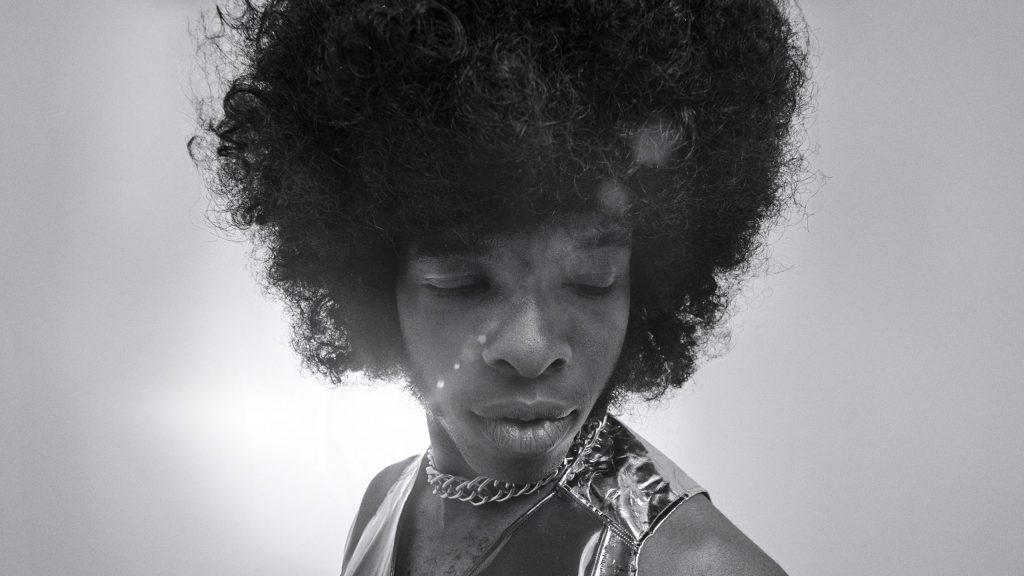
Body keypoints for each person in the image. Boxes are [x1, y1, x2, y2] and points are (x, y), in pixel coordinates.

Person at [190, 0, 810, 573]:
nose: (531, 349)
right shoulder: (384, 501)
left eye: (591, 281)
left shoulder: (695, 566)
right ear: (375, 287)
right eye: (460, 283)